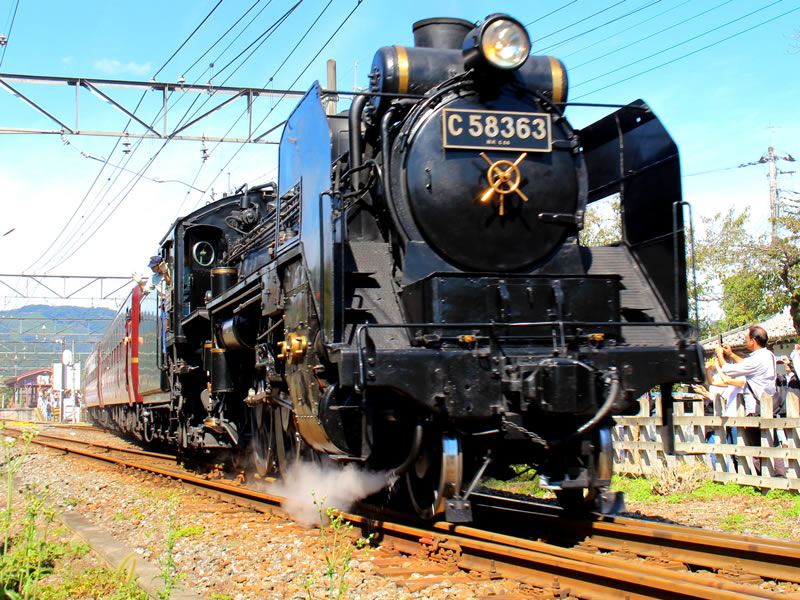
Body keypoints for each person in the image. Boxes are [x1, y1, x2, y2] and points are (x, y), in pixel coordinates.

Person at [715, 326, 778, 476]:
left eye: (747, 338)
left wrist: (720, 355)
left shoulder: (757, 359)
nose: (745, 340)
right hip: (769, 406)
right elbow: (746, 365)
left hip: (756, 408)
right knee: (772, 446)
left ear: (753, 340)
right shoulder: (768, 355)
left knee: (757, 449)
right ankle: (777, 478)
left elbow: (728, 370)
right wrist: (731, 354)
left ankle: (765, 480)